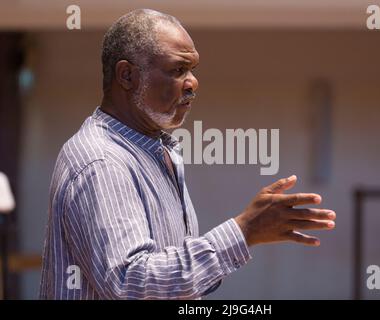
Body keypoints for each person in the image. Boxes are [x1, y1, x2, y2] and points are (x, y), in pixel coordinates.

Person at [39, 9, 336, 300]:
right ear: (127, 76)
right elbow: (130, 283)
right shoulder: (102, 161)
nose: (193, 83)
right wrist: (243, 231)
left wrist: (242, 236)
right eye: (177, 70)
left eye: (192, 69)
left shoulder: (154, 150)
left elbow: (177, 281)